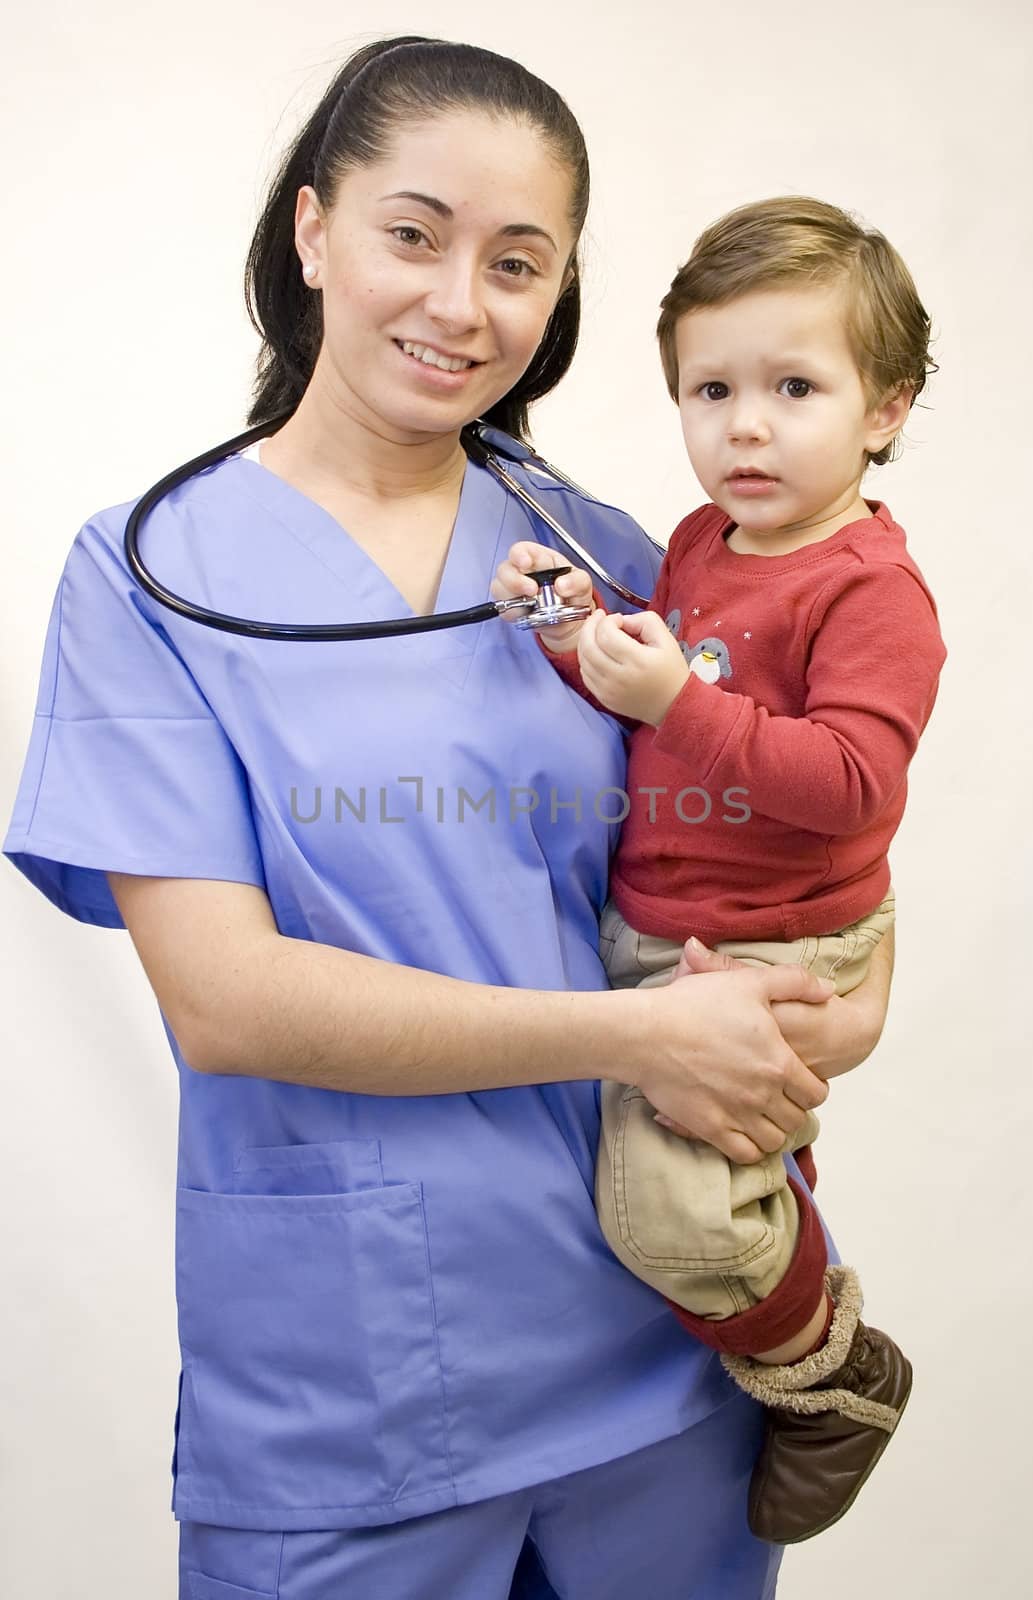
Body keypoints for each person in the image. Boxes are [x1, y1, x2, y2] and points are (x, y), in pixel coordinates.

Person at [3, 40, 894, 1600]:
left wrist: (845, 1001)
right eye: (413, 235)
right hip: (355, 1395)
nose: (460, 303)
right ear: (312, 234)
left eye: (518, 264)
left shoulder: (610, 557)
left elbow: (786, 833)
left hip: (666, 1355)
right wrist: (637, 1040)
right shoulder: (149, 581)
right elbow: (225, 1000)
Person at [493, 196, 945, 1547]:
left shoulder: (867, 590)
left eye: (792, 387)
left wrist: (667, 707)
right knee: (685, 1185)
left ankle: (826, 1369)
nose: (743, 426)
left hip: (774, 938)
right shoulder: (699, 544)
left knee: (670, 1216)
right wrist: (565, 622)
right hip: (669, 922)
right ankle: (790, 1325)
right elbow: (657, 670)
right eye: (711, 389)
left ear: (884, 409)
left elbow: (850, 786)